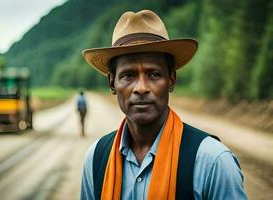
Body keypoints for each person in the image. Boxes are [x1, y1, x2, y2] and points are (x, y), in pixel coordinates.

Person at [80, 10, 247, 200]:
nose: (141, 88)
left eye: (154, 74)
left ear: (171, 80)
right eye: (128, 75)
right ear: (112, 83)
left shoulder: (213, 161)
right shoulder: (95, 159)